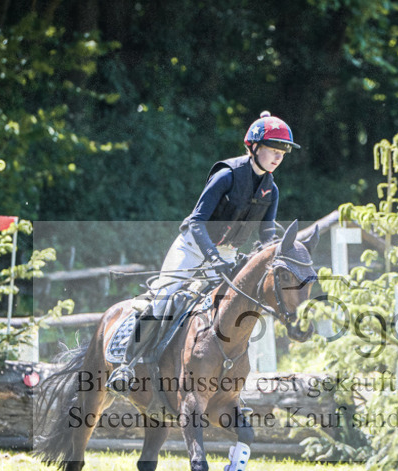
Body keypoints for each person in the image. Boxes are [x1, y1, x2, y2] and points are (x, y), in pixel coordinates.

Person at [106, 111, 300, 391]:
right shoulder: (227, 175)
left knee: (236, 309)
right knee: (165, 298)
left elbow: (267, 234)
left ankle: (230, 381)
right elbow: (195, 222)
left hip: (228, 254)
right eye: (273, 149)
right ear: (254, 147)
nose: (279, 156)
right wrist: (212, 256)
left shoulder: (272, 190)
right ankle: (125, 365)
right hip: (194, 246)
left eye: (283, 151)